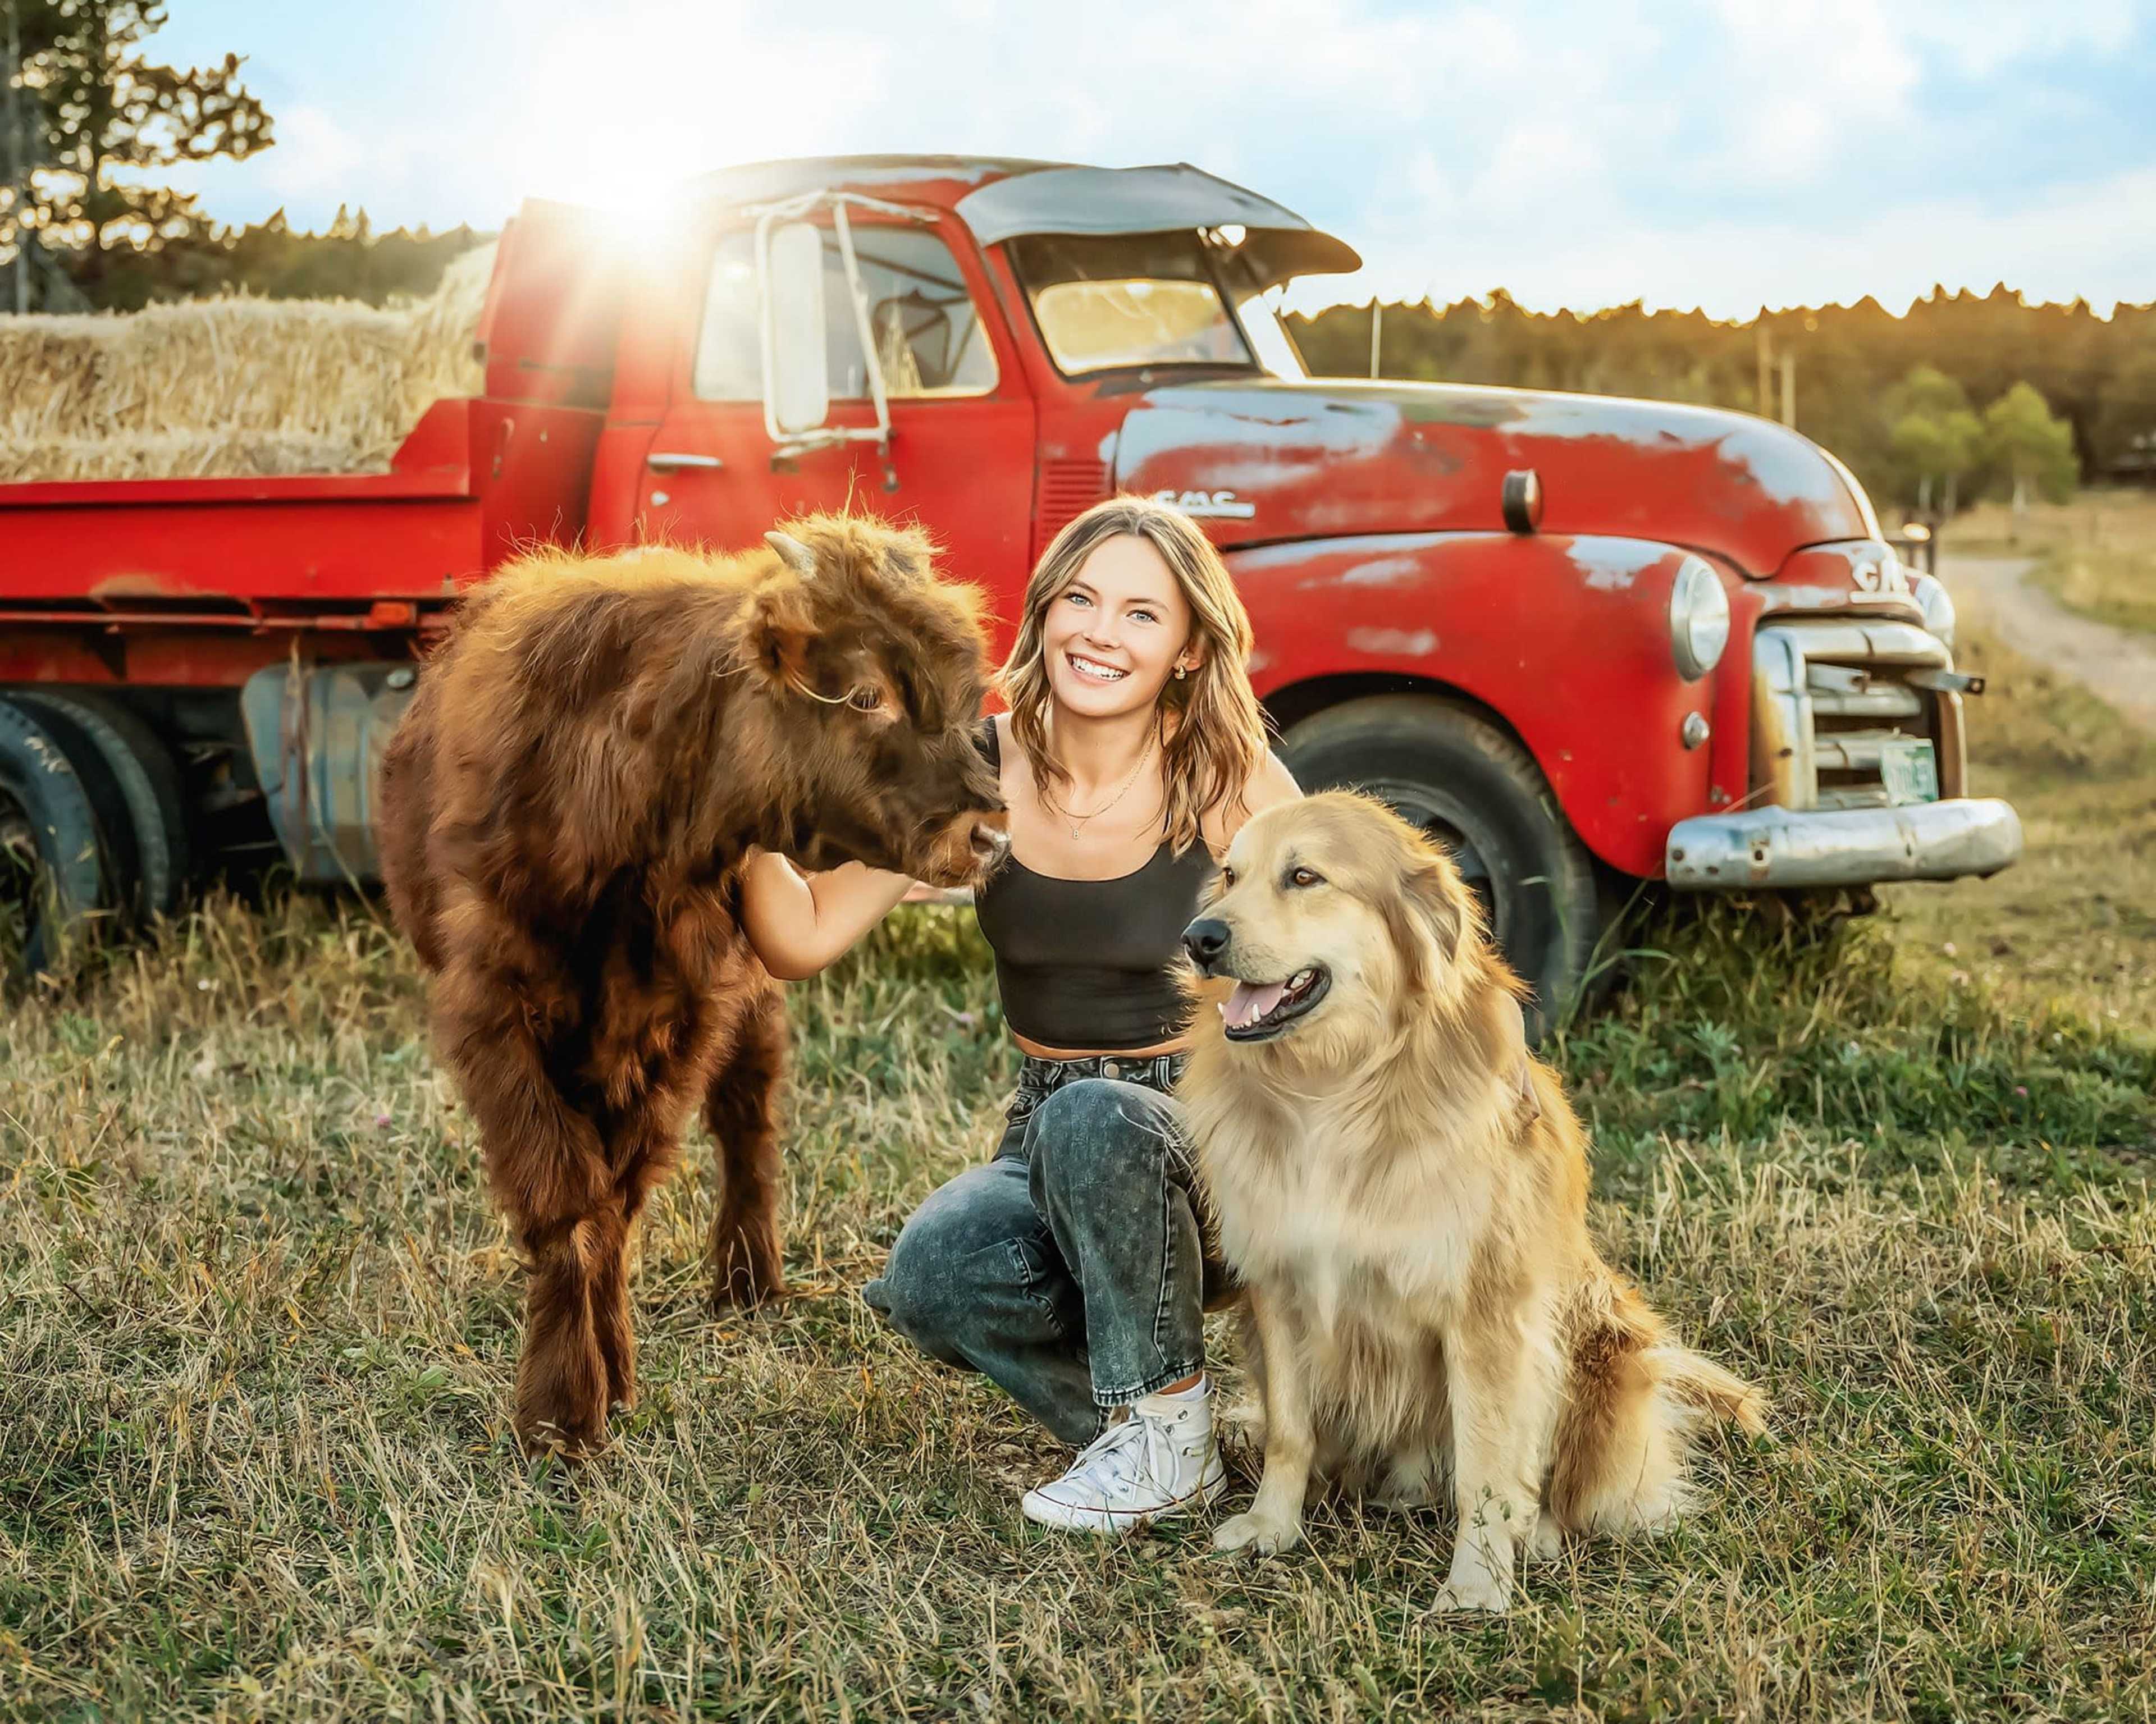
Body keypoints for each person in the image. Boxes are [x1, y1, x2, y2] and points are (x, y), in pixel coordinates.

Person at [739, 494, 1298, 1533]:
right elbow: (803, 933)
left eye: (1141, 614)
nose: (1100, 631)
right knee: (932, 1275)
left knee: (1097, 1116)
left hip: (1220, 1136)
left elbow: (1333, 937)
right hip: (1044, 1128)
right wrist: (736, 813)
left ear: (1185, 649)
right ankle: (1155, 1435)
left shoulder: (1222, 775)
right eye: (1080, 599)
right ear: (1043, 613)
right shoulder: (974, 767)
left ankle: (1160, 1434)